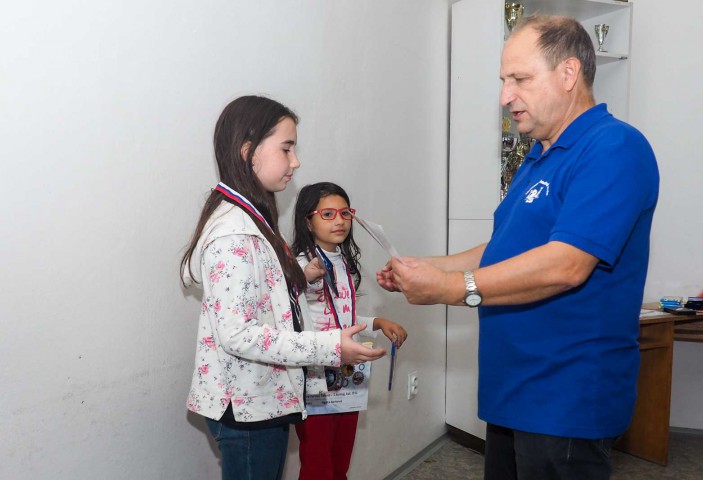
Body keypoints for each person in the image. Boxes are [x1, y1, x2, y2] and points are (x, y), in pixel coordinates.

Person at [377, 15, 659, 480]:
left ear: (568, 73)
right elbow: (506, 247)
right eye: (503, 81)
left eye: (520, 79)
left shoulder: (614, 148)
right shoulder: (540, 154)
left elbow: (566, 264)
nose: (505, 96)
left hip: (565, 396)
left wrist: (451, 288)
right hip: (515, 389)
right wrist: (426, 267)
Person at [180, 95, 385, 480]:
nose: (296, 162)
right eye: (287, 148)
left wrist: (296, 279)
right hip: (247, 408)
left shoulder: (253, 220)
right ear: (248, 151)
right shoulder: (234, 233)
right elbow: (238, 334)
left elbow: (261, 296)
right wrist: (330, 345)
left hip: (263, 399)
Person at [291, 182, 408, 480]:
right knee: (317, 465)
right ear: (308, 221)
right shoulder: (301, 262)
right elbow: (289, 306)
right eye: (328, 214)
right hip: (315, 376)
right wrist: (304, 278)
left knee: (340, 460)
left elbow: (343, 317)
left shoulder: (343, 261)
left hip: (346, 374)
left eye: (345, 213)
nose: (340, 221)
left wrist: (377, 323)